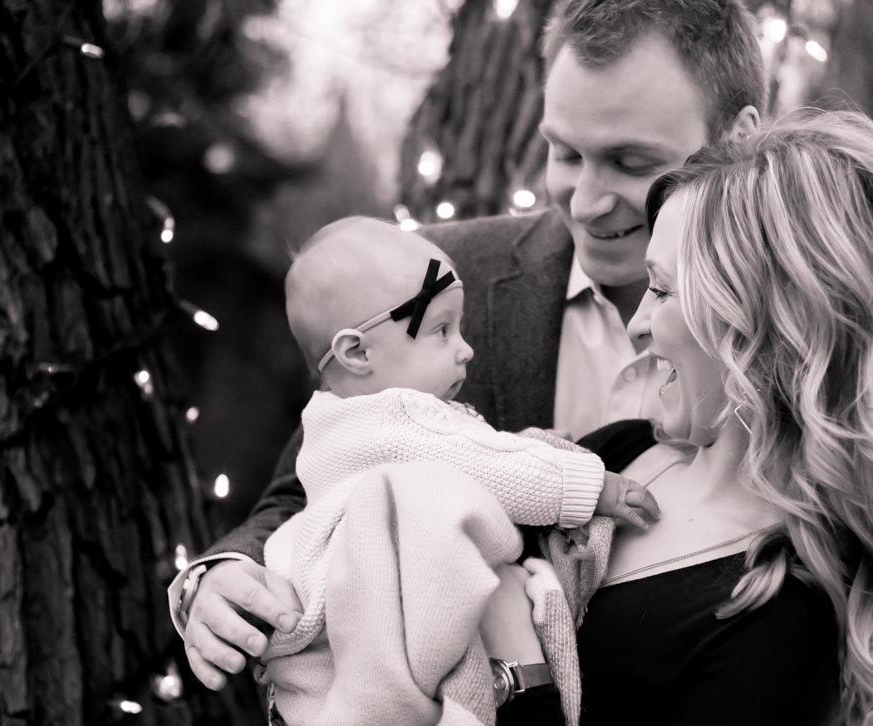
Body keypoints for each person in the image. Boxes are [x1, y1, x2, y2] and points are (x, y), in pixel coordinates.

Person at [168, 0, 766, 698]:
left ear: (739, 138)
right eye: (565, 153)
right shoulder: (432, 282)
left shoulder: (802, 340)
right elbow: (309, 492)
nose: (586, 202)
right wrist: (217, 579)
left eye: (630, 162)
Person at [256, 214, 658, 724]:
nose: (465, 349)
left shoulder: (335, 422)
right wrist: (591, 486)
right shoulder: (398, 417)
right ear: (356, 352)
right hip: (396, 624)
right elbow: (488, 466)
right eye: (441, 330)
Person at [565, 109, 873, 724]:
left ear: (762, 323)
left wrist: (519, 670)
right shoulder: (616, 453)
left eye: (661, 290)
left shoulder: (782, 613)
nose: (637, 325)